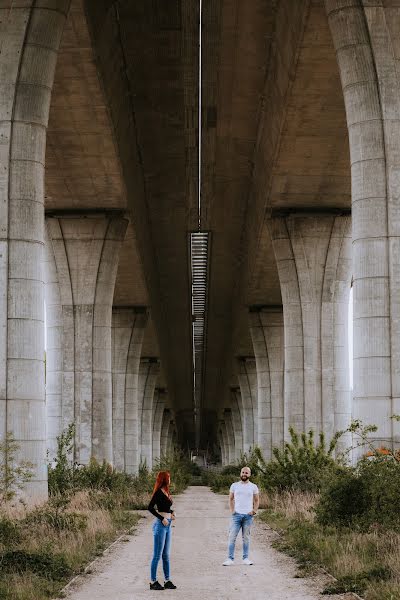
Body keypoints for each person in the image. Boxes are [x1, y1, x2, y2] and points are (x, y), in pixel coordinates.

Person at [223, 466, 259, 566]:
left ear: (250, 475)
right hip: (236, 515)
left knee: (246, 538)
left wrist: (254, 511)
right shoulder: (234, 485)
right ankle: (230, 559)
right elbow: (230, 499)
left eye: (246, 473)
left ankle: (246, 558)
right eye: (243, 472)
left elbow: (256, 500)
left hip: (248, 516)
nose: (244, 474)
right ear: (240, 473)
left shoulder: (253, 486)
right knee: (232, 537)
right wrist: (232, 510)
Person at [148, 471, 177, 590]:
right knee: (157, 555)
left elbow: (166, 507)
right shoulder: (159, 492)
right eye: (169, 478)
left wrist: (171, 512)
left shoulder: (166, 491)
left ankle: (167, 580)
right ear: (164, 479)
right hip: (161, 525)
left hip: (168, 525)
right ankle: (153, 581)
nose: (170, 479)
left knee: (166, 555)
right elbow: (150, 508)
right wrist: (162, 518)